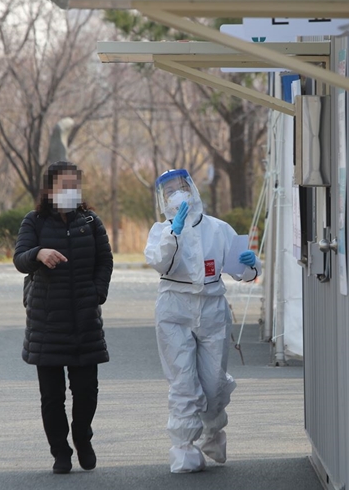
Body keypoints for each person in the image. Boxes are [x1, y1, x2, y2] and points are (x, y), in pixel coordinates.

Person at [144, 169, 261, 473]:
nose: (177, 194)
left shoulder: (219, 229)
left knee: (212, 383)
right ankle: (183, 449)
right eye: (169, 191)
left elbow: (241, 271)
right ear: (162, 199)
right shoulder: (161, 231)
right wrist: (175, 233)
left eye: (181, 187)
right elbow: (160, 262)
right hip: (174, 309)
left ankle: (212, 434)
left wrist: (251, 265)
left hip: (211, 307)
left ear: (193, 189)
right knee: (183, 381)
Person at [13, 161, 113, 474]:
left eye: (74, 184)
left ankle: (83, 437)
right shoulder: (35, 221)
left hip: (84, 320)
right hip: (47, 321)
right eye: (62, 185)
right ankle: (60, 451)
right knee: (51, 396)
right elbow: (20, 259)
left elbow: (105, 261)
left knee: (86, 391)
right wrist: (39, 253)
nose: (69, 190)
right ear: (49, 189)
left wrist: (96, 293)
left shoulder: (91, 222)